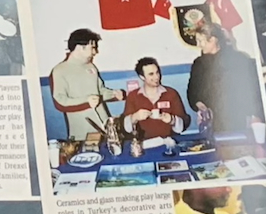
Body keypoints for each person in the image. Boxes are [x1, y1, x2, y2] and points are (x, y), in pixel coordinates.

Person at [185, 20, 261, 144]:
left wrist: (254, 115)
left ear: (213, 40)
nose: (198, 45)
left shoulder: (238, 60)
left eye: (200, 41)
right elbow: (192, 91)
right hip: (212, 122)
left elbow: (252, 90)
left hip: (238, 118)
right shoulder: (198, 64)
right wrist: (198, 104)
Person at [47, 29, 109, 159]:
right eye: (93, 48)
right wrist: (86, 101)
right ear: (80, 47)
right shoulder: (59, 71)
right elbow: (60, 102)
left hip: (105, 129)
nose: (95, 52)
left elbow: (100, 91)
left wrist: (115, 94)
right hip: (81, 135)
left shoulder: (91, 67)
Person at [121, 55, 185, 143]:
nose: (156, 77)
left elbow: (182, 126)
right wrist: (135, 117)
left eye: (157, 72)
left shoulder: (171, 93)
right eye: (151, 74)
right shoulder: (133, 96)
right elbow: (126, 129)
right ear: (142, 77)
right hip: (144, 143)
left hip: (168, 141)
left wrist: (172, 120)